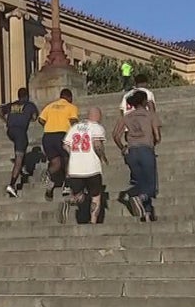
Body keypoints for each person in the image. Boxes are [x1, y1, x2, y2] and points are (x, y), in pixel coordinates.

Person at [113, 91, 162, 221]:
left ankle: (147, 212)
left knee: (141, 183)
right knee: (151, 185)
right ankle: (139, 198)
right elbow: (157, 136)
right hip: (146, 149)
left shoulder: (127, 117)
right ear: (145, 102)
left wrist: (123, 147)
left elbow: (115, 135)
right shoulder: (150, 115)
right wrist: (154, 142)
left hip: (131, 151)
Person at [63, 107, 109, 224]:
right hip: (92, 168)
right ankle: (93, 220)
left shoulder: (74, 128)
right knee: (95, 195)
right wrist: (102, 157)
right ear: (98, 116)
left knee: (79, 194)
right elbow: (97, 144)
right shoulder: (97, 127)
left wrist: (75, 154)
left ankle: (73, 199)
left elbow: (65, 146)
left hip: (75, 168)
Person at [0, 87, 39, 198]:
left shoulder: (12, 105)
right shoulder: (30, 105)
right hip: (20, 131)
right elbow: (35, 117)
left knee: (23, 144)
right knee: (19, 157)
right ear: (26, 96)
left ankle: (23, 167)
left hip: (10, 131)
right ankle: (11, 184)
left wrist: (5, 120)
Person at [39, 88, 80, 201]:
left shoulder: (50, 106)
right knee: (68, 158)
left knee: (55, 162)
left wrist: (50, 126)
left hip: (47, 136)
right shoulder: (71, 107)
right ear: (69, 97)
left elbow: (41, 120)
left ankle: (49, 174)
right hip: (62, 135)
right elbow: (73, 121)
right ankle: (66, 185)